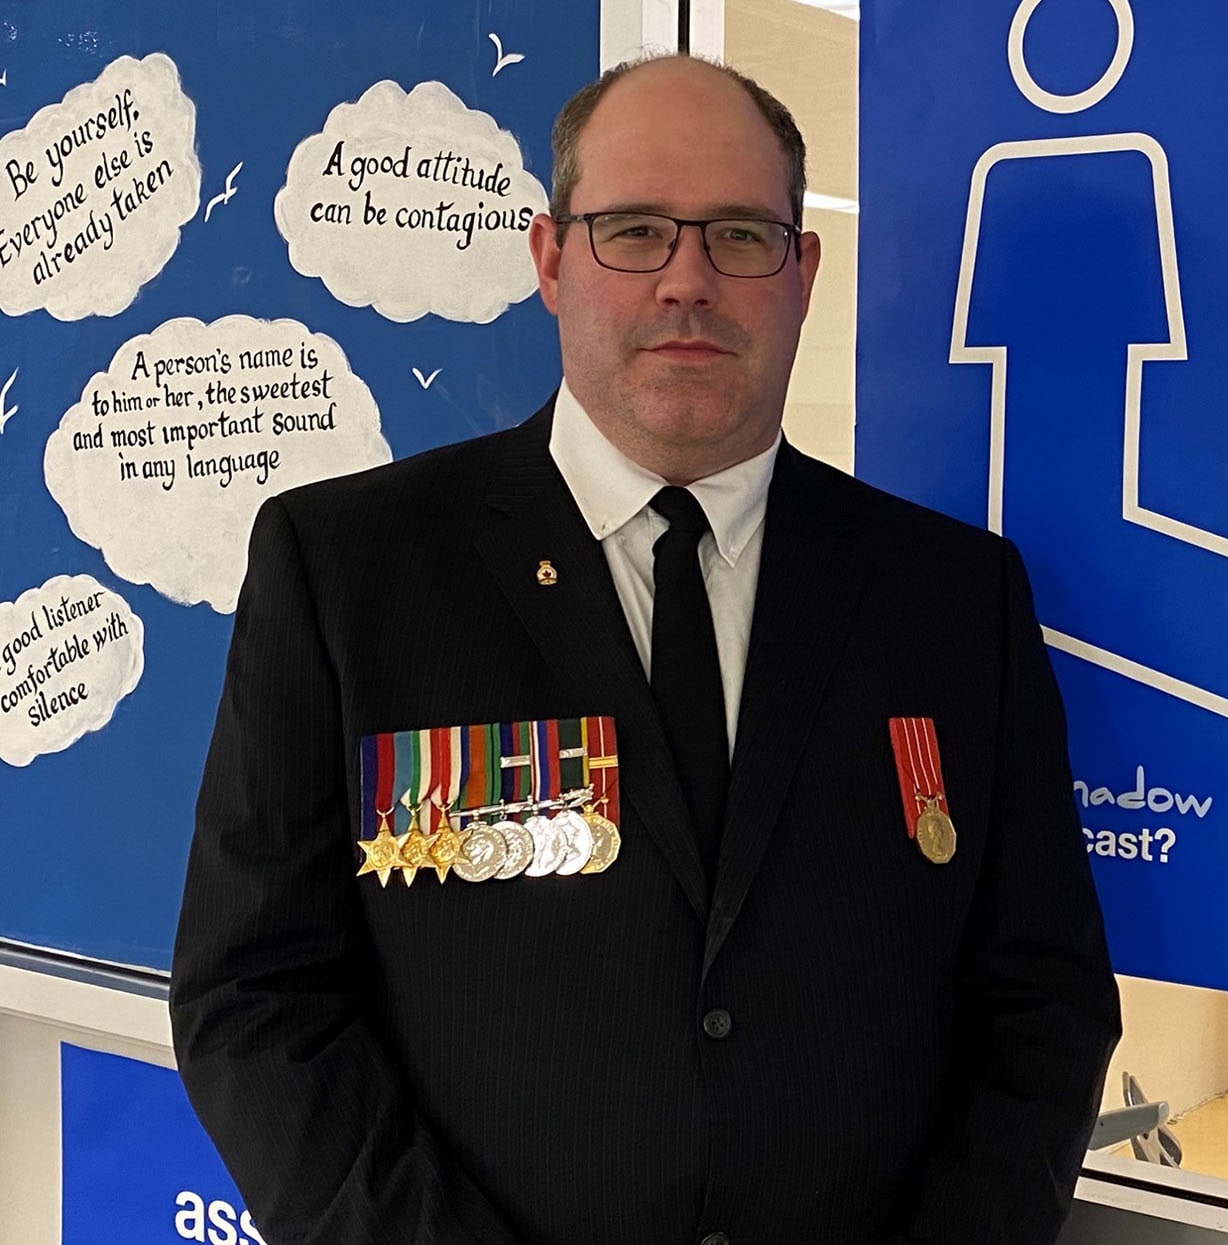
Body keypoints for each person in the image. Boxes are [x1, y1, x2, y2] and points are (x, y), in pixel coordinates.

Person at [170, 54, 1121, 1245]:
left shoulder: (950, 596)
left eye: (738, 234)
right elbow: (254, 997)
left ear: (802, 272)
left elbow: (1043, 999)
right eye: (632, 231)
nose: (687, 282)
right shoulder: (349, 569)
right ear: (551, 259)